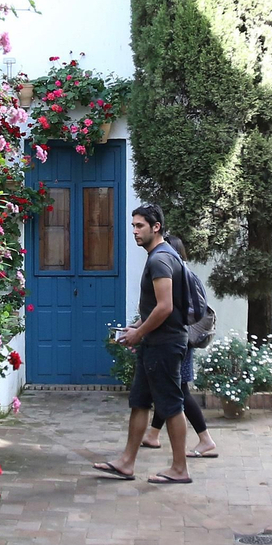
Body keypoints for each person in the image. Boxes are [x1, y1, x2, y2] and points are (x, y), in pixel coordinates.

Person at [92, 203, 191, 484]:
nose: (134, 231)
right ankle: (126, 462)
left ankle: (180, 469)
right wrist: (137, 326)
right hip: (155, 342)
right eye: (133, 225)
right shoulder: (163, 256)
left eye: (140, 226)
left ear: (155, 227)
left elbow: (165, 307)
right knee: (139, 402)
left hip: (164, 344)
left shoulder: (160, 259)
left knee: (171, 405)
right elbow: (157, 310)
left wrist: (139, 333)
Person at [139, 235, 220, 458]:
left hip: (175, 339)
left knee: (179, 391)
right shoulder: (182, 273)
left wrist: (140, 330)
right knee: (171, 389)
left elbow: (168, 309)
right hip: (179, 338)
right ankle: (153, 434)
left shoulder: (176, 274)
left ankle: (205, 439)